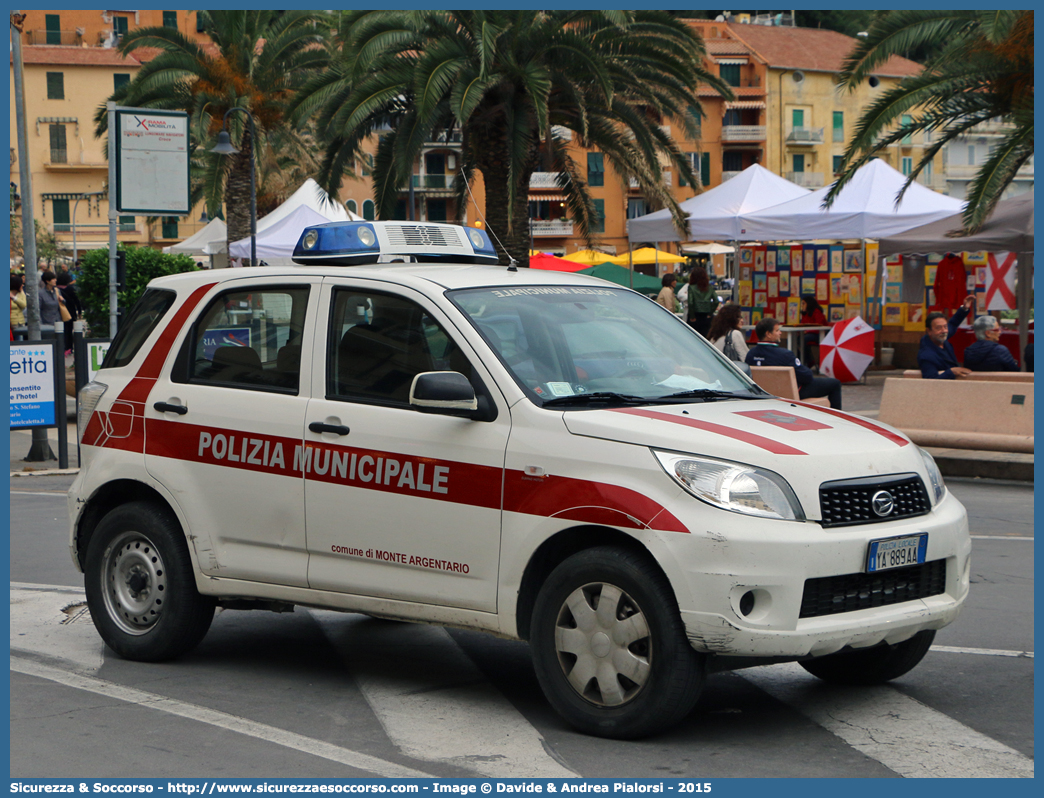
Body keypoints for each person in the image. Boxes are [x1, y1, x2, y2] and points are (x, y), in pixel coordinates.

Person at [746, 316, 842, 408]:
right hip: (789, 393)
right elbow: (807, 377)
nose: (780, 333)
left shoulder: (750, 354)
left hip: (762, 394)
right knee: (835, 384)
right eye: (777, 330)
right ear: (768, 334)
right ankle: (839, 419)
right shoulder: (784, 354)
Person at [918, 295, 975, 379]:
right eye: (938, 328)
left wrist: (964, 308)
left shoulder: (941, 337)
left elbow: (953, 323)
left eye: (945, 327)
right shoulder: (926, 356)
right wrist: (951, 372)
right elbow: (930, 382)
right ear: (929, 331)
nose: (944, 331)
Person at [686, 266, 719, 337]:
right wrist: (710, 313)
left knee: (693, 337)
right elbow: (716, 301)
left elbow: (691, 302)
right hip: (707, 315)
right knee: (706, 338)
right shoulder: (709, 287)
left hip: (695, 315)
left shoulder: (691, 287)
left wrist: (692, 316)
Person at [57, 271, 84, 349]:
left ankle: (62, 346)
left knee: (61, 330)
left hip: (60, 312)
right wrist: (79, 311)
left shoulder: (55, 289)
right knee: (69, 330)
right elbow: (76, 301)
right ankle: (69, 347)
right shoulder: (70, 289)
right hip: (70, 312)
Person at [799, 294, 828, 368]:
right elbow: (803, 325)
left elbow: (819, 325)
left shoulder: (816, 312)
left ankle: (806, 361)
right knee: (798, 339)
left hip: (819, 334)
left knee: (804, 339)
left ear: (809, 304)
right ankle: (806, 360)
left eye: (803, 303)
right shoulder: (805, 314)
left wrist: (807, 331)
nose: (802, 305)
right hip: (810, 334)